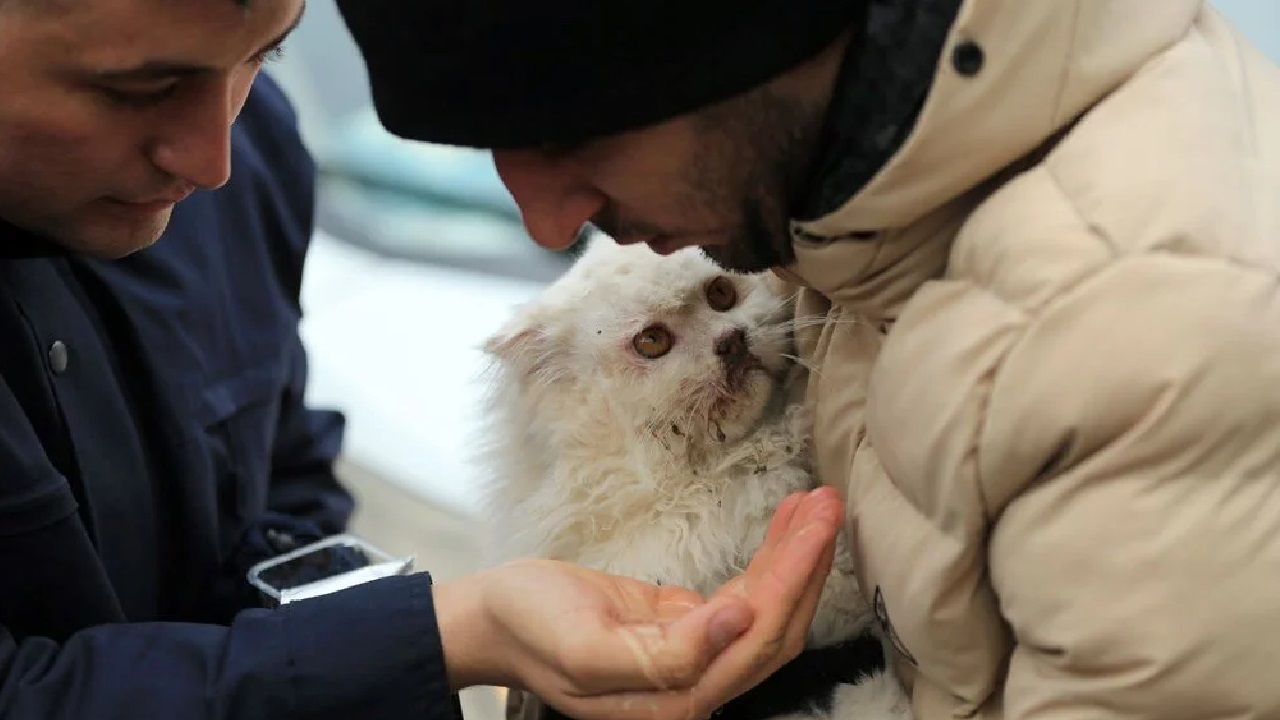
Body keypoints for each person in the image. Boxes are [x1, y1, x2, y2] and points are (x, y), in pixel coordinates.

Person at [335, 0, 1280, 718]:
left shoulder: (1166, 322)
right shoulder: (827, 202)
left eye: (566, 135)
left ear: (726, 44)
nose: (545, 222)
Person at [0, 1, 846, 719]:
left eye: (265, 56)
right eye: (137, 89)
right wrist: (450, 635)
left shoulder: (255, 156)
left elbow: (280, 493)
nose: (212, 156)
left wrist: (387, 627)